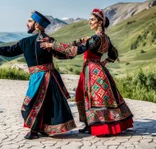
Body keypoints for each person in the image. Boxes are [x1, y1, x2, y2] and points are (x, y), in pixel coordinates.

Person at [40, 8, 133, 137]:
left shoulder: (96, 38)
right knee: (85, 95)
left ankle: (93, 125)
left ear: (100, 22)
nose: (90, 22)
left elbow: (78, 50)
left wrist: (53, 46)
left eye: (92, 20)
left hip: (92, 70)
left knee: (88, 96)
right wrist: (106, 61)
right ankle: (90, 124)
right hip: (99, 69)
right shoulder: (105, 38)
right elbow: (114, 53)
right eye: (90, 20)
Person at [0, 11, 76, 139]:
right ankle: (41, 129)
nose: (27, 24)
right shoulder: (42, 41)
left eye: (30, 21)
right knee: (44, 104)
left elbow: (11, 50)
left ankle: (34, 130)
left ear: (37, 25)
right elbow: (62, 55)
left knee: (32, 104)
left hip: (43, 78)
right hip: (47, 77)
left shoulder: (34, 41)